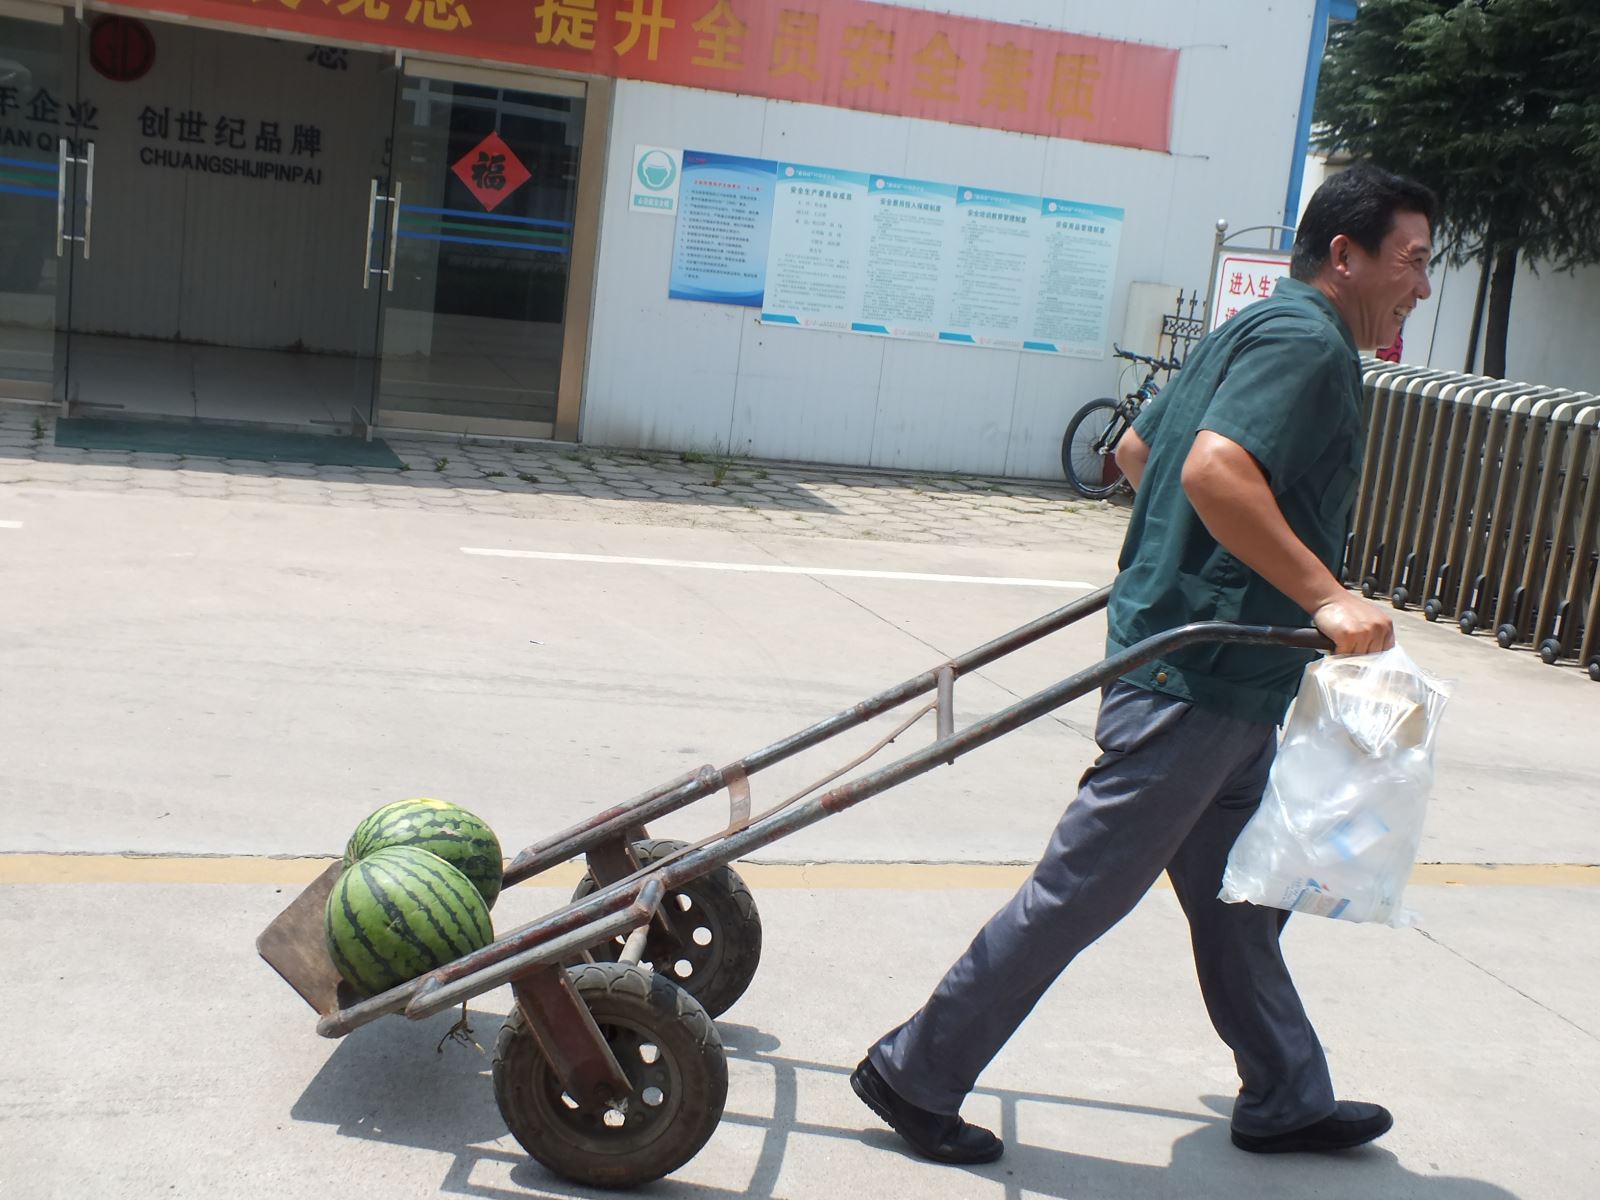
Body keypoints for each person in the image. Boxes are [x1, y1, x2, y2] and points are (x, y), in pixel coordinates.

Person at [851, 163, 1437, 1166]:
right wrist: (1323, 595)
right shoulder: (1308, 344)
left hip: (1219, 675)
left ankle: (1286, 1094)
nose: (1420, 288)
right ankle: (915, 1070)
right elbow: (1213, 467)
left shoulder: (1254, 327)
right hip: (1195, 686)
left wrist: (1191, 565)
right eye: (1412, 262)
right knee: (1081, 890)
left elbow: (1135, 453)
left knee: (1239, 898)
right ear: (1345, 255)